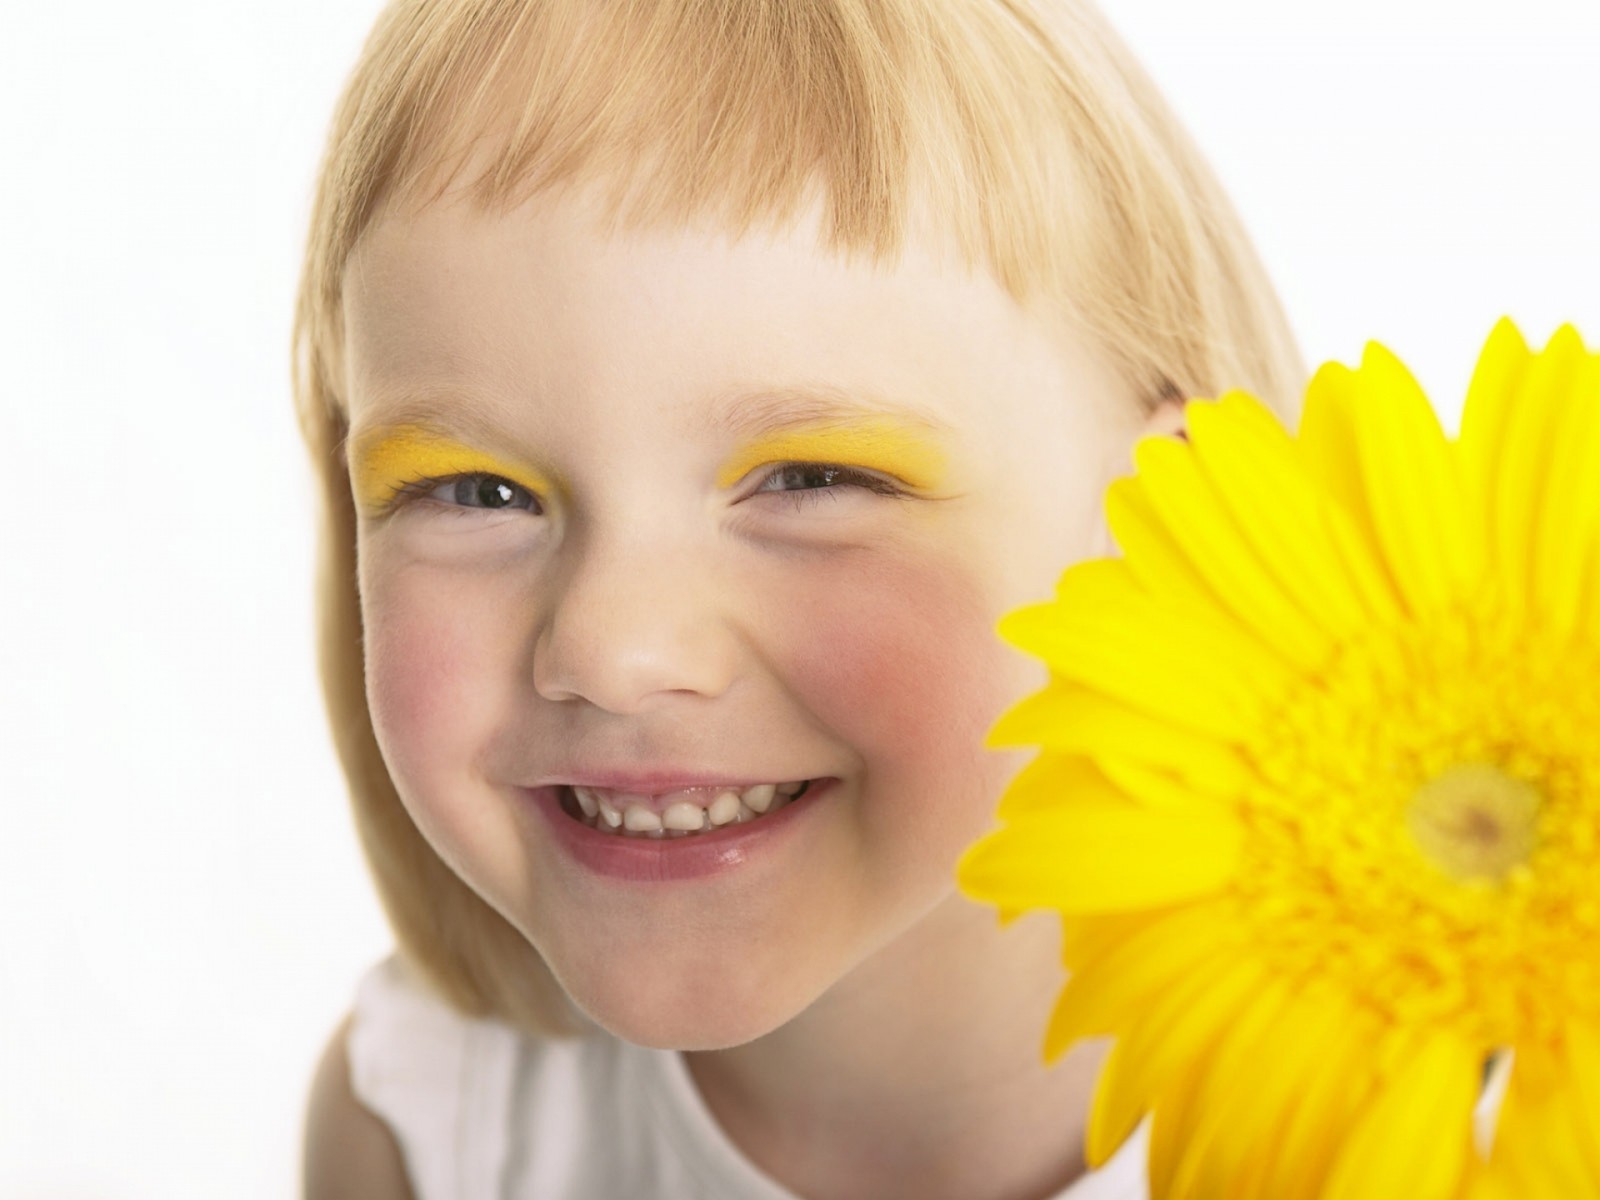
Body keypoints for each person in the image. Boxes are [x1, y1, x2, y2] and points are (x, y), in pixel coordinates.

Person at [293, 1, 1306, 1196]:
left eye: (814, 479)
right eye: (477, 490)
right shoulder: (426, 1133)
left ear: (1169, 529)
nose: (617, 650)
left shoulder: (1455, 1139)